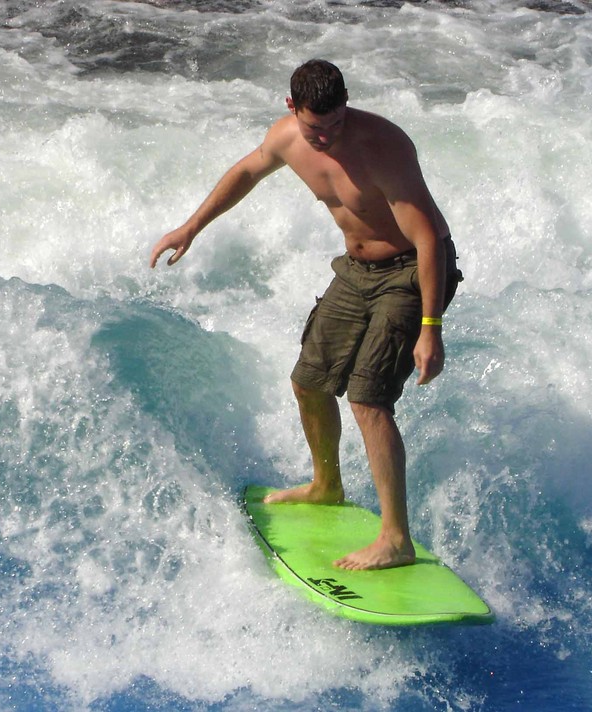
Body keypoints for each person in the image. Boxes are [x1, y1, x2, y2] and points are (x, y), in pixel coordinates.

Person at [149, 59, 462, 570]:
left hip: (413, 271)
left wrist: (431, 328)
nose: (326, 137)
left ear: (346, 106)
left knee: (368, 399)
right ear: (292, 108)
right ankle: (325, 485)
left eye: (336, 123)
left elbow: (428, 238)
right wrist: (191, 227)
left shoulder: (383, 146)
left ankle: (396, 539)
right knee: (309, 382)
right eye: (316, 128)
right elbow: (248, 170)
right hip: (357, 270)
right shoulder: (287, 137)